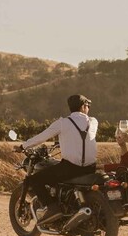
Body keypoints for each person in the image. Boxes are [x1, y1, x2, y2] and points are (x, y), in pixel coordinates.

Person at [15, 94, 98, 223]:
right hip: (90, 168)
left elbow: (42, 137)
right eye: (88, 106)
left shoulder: (63, 123)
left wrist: (22, 146)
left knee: (35, 180)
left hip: (71, 168)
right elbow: (84, 138)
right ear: (83, 107)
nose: (88, 108)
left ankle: (52, 208)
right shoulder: (93, 122)